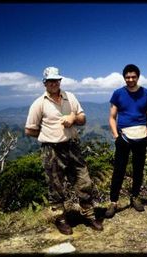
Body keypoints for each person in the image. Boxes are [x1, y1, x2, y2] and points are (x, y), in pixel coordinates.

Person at [25, 66, 103, 235]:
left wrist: (73, 117)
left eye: (56, 80)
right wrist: (47, 135)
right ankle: (60, 218)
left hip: (72, 146)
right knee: (56, 185)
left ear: (60, 81)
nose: (54, 83)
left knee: (84, 181)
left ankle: (88, 215)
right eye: (50, 81)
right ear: (44, 83)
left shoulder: (70, 97)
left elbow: (83, 118)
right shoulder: (39, 103)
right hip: (51, 149)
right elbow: (29, 130)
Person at [105, 64, 147, 218]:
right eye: (127, 77)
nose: (130, 79)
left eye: (133, 77)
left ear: (138, 77)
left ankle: (135, 197)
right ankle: (113, 202)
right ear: (124, 77)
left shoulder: (146, 93)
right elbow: (112, 117)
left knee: (138, 169)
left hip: (141, 136)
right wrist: (116, 136)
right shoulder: (118, 93)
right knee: (119, 170)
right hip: (124, 137)